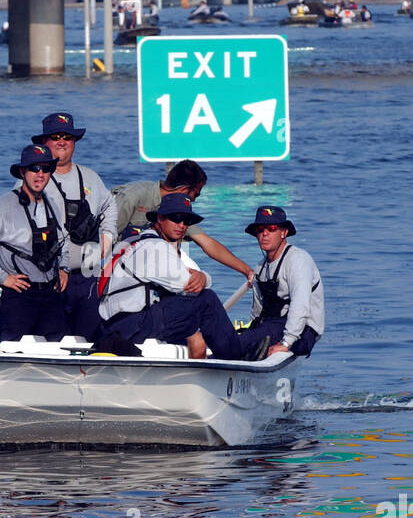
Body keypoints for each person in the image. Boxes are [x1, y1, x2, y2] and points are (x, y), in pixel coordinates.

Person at [96, 193, 269, 360]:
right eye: (175, 218)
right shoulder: (157, 248)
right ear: (159, 219)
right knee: (206, 299)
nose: (182, 225)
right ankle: (234, 356)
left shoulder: (131, 242)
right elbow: (188, 286)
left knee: (190, 314)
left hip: (113, 325)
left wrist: (199, 278)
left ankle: (212, 353)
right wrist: (204, 277)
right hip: (135, 325)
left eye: (187, 221)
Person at [0, 144, 70, 351]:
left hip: (50, 294)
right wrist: (2, 278)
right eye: (34, 169)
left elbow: (63, 240)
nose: (40, 175)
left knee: (61, 345)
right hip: (19, 294)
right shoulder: (2, 206)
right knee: (3, 344)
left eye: (45, 169)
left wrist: (64, 268)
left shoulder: (52, 204)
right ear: (23, 172)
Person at [32, 111, 117, 341]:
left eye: (67, 137)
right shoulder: (32, 178)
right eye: (55, 136)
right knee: (52, 340)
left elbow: (110, 205)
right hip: (48, 279)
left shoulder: (90, 177)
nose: (62, 141)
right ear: (43, 142)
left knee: (89, 339)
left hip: (89, 276)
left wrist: (107, 239)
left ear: (75, 142)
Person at [113, 160, 255, 287]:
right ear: (183, 190)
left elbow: (208, 244)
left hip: (153, 263)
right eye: (196, 195)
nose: (194, 201)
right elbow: (103, 237)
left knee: (196, 282)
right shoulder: (133, 196)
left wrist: (246, 270)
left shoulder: (180, 215)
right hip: (119, 266)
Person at [234, 206, 324, 360]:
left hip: (302, 332)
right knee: (230, 338)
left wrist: (286, 343)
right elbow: (257, 312)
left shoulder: (298, 260)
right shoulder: (259, 268)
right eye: (260, 229)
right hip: (271, 326)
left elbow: (301, 306)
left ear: (284, 232)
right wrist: (250, 333)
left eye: (272, 228)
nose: (265, 234)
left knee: (236, 345)